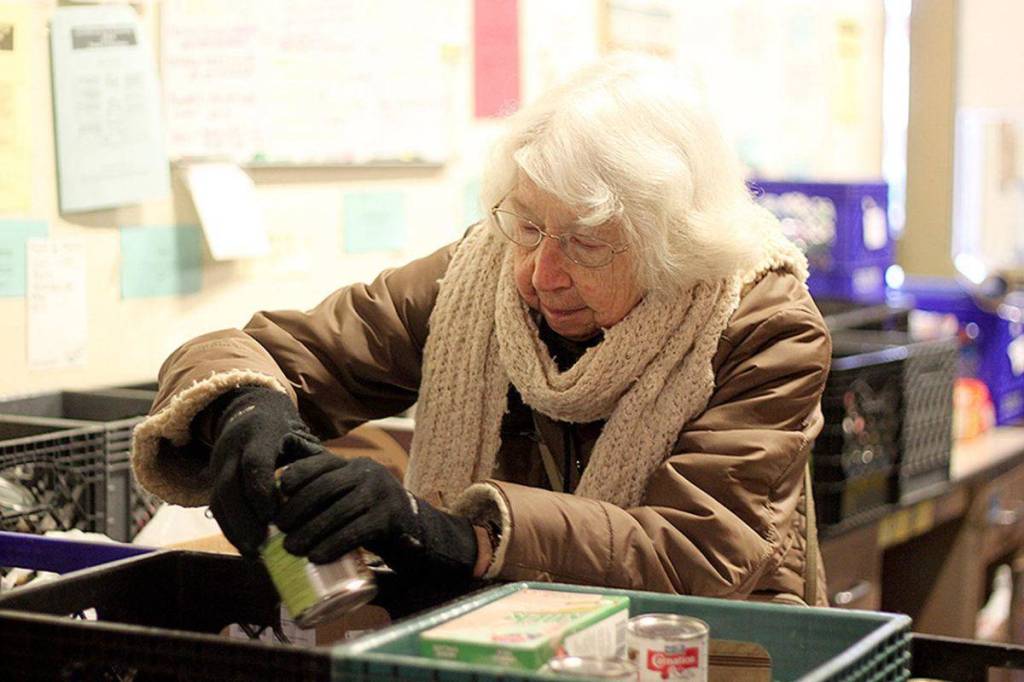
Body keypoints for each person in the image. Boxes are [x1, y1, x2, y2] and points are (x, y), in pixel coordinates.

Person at [132, 54, 831, 607]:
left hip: (692, 646)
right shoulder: (478, 279)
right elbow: (266, 353)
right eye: (527, 225)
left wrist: (454, 535)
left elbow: (696, 554)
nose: (539, 273)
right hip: (502, 640)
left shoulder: (764, 327)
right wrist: (244, 408)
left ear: (672, 244)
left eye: (587, 243)